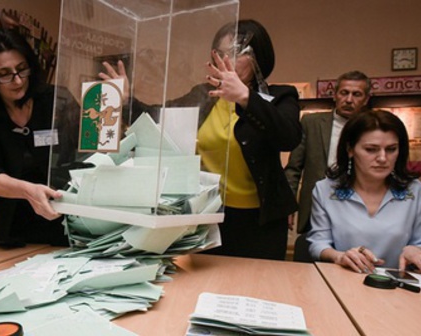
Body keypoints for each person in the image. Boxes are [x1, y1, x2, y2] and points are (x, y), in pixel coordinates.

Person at [100, 19, 301, 260]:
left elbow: (288, 137)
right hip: (211, 216)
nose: (227, 60)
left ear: (259, 57)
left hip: (262, 221)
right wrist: (126, 101)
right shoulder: (203, 95)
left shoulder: (279, 96)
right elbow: (160, 122)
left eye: (238, 52)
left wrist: (246, 97)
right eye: (222, 53)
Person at [0, 28, 79, 247]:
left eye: (22, 69)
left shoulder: (57, 100)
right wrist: (28, 191)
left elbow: (90, 149)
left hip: (68, 224)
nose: (17, 81)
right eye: (5, 74)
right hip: (15, 231)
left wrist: (112, 103)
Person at [307, 110, 421, 272]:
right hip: (345, 280)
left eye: (391, 149)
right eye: (371, 149)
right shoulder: (325, 190)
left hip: (398, 285)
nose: (382, 158)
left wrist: (416, 250)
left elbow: (419, 242)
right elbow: (318, 244)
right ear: (350, 149)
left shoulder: (415, 190)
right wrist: (339, 256)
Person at [284, 70, 371, 261]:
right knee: (307, 267)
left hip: (357, 212)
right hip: (315, 209)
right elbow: (293, 168)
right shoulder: (311, 123)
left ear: (366, 99)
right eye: (344, 93)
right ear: (335, 94)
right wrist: (288, 205)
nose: (349, 99)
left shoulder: (372, 128)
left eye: (356, 94)